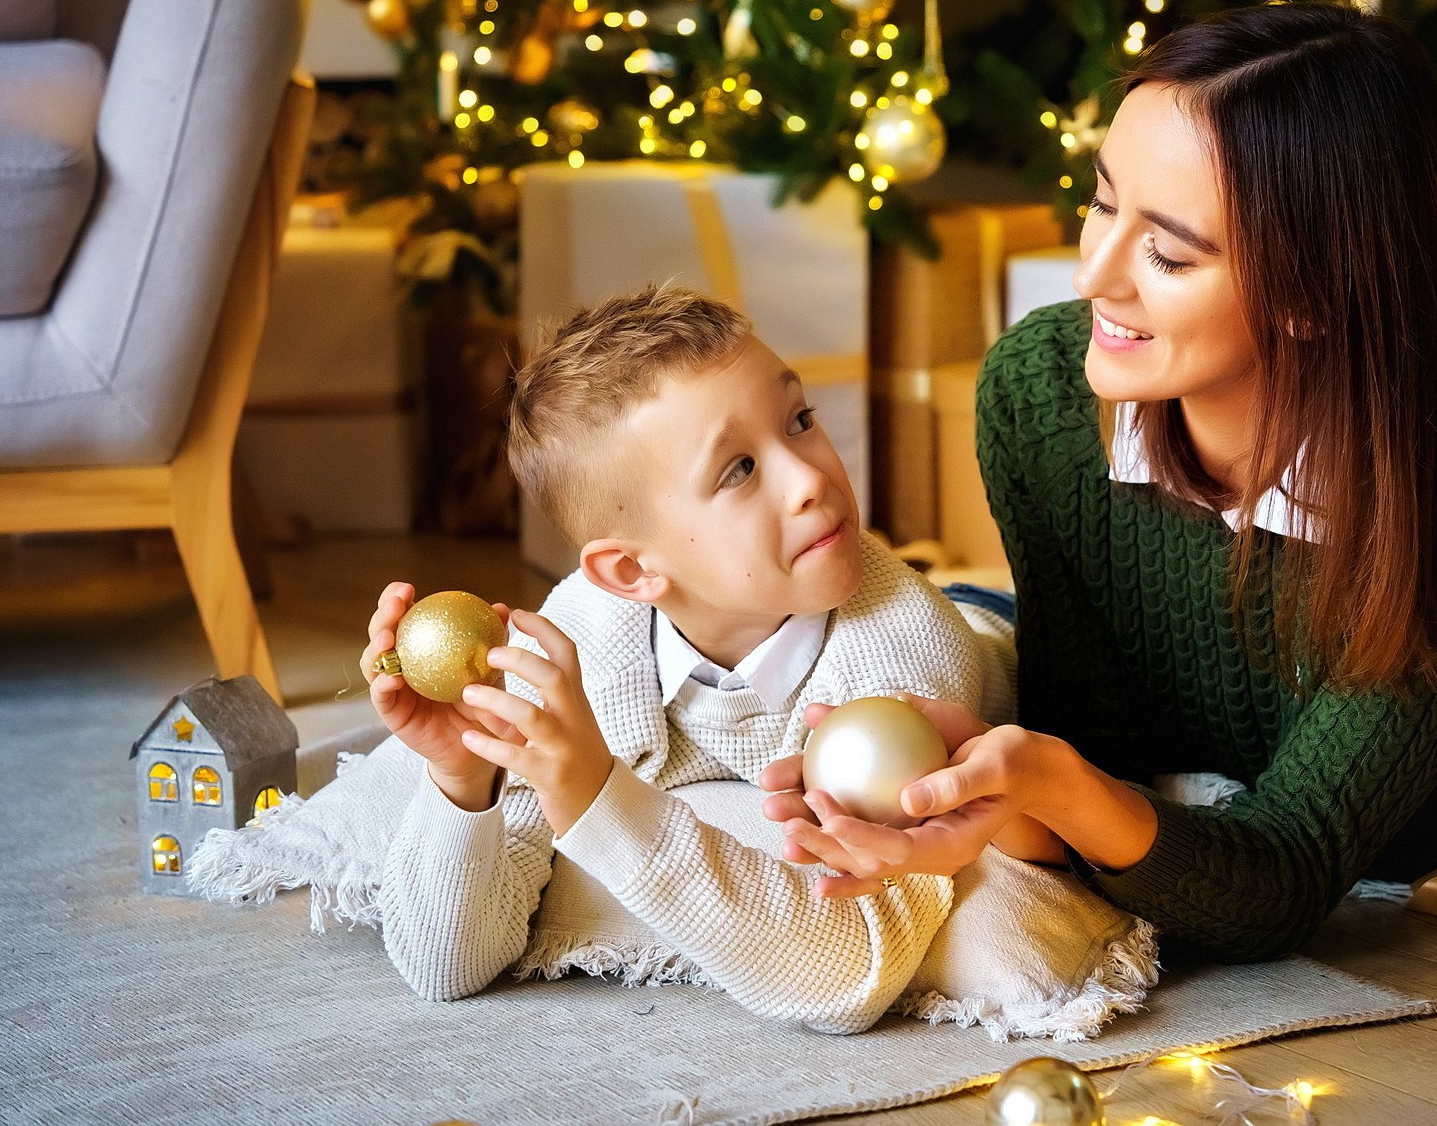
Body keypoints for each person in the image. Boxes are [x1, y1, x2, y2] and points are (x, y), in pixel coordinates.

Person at [758, 1, 1437, 964]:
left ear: (1314, 291)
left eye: (1167, 255)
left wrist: (1059, 788)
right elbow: (1106, 755)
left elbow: (1287, 871)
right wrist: (993, 781)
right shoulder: (1042, 392)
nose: (1091, 277)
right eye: (1099, 205)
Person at [358, 284, 1118, 1031]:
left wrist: (597, 797)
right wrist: (462, 780)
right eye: (739, 470)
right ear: (632, 574)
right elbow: (445, 968)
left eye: (799, 420)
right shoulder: (579, 644)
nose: (812, 477)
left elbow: (852, 974)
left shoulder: (902, 660)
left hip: (980, 626)